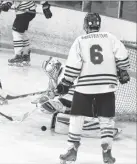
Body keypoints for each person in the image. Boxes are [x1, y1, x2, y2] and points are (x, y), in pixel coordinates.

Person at [56, 13, 130, 164]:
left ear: (85, 25)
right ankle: (107, 153)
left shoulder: (80, 40)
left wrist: (66, 82)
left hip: (85, 87)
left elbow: (74, 65)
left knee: (77, 117)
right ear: (99, 25)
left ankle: (72, 150)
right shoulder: (109, 37)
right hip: (107, 85)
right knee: (106, 119)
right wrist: (122, 70)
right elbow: (123, 57)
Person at [35, 57, 122, 139]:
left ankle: (71, 113)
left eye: (50, 71)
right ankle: (69, 112)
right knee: (47, 105)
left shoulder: (66, 73)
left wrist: (53, 97)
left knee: (54, 103)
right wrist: (49, 95)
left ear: (55, 67)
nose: (50, 74)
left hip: (93, 103)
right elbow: (53, 91)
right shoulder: (59, 75)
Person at [1, 1, 52, 66]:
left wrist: (7, 3)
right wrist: (45, 6)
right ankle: (26, 55)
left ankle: (18, 55)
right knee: (22, 33)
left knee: (16, 32)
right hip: (30, 11)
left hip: (24, 12)